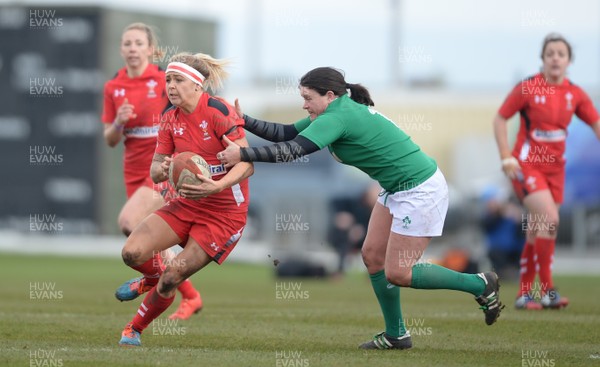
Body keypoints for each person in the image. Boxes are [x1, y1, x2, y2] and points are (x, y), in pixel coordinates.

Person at [218, 67, 503, 350]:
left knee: (398, 273)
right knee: (372, 256)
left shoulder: (337, 117)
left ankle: (480, 284)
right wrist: (244, 120)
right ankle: (397, 335)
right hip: (398, 188)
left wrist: (243, 153)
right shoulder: (334, 111)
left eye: (307, 97)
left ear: (329, 95)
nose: (304, 104)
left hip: (420, 189)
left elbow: (292, 151)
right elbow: (286, 133)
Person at [116, 52, 253, 346]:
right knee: (132, 254)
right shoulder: (169, 119)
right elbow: (155, 172)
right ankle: (150, 279)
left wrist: (217, 187)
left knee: (173, 276)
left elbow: (247, 163)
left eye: (178, 80)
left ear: (197, 85)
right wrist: (162, 169)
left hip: (223, 215)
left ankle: (134, 329)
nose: (171, 86)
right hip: (187, 204)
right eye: (168, 80)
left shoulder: (219, 112)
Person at [101, 23, 202, 320]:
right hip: (133, 169)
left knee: (129, 222)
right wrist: (119, 122)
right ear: (121, 49)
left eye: (138, 43)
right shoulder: (113, 87)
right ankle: (190, 295)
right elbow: (110, 140)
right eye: (127, 43)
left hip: (161, 168)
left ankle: (151, 281)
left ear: (150, 49)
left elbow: (187, 110)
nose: (132, 48)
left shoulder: (163, 81)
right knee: (147, 236)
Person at [493, 33, 600, 310]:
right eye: (550, 53)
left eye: (560, 54)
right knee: (550, 219)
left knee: (538, 230)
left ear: (568, 61)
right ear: (542, 58)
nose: (555, 58)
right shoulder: (528, 87)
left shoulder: (574, 93)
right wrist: (506, 156)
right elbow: (501, 117)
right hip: (527, 166)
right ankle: (549, 291)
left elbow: (595, 121)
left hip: (556, 171)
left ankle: (524, 295)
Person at [479, 186, 524, 282]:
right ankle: (504, 273)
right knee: (497, 255)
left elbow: (522, 232)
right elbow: (486, 225)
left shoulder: (512, 214)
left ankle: (511, 272)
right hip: (497, 249)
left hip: (513, 248)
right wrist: (498, 213)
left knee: (522, 251)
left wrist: (519, 220)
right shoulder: (490, 216)